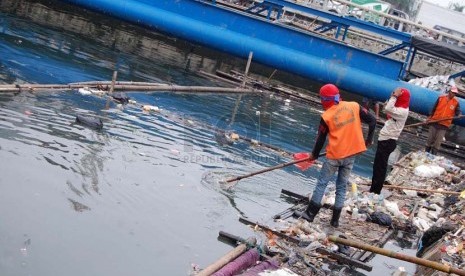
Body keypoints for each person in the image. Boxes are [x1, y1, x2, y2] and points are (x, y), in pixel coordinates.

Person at [295, 84, 376, 227]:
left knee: (322, 183)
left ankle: (310, 214)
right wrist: (369, 139)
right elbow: (373, 120)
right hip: (351, 154)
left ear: (324, 100)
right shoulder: (354, 106)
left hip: (334, 156)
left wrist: (313, 155)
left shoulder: (327, 116)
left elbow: (320, 139)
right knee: (342, 186)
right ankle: (335, 221)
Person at [370, 88, 410, 195]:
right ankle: (373, 188)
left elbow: (388, 108)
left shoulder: (402, 111)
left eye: (398, 96)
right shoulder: (399, 108)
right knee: (377, 165)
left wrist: (394, 97)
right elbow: (386, 109)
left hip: (388, 141)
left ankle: (376, 190)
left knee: (380, 167)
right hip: (385, 139)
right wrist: (392, 96)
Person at [425, 86, 461, 155]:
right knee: (430, 140)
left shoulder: (455, 102)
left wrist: (459, 114)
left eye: (455, 94)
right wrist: (429, 117)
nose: (453, 94)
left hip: (444, 125)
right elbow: (433, 109)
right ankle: (426, 154)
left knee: (437, 142)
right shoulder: (441, 98)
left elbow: (458, 111)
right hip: (434, 122)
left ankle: (433, 156)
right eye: (452, 92)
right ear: (449, 91)